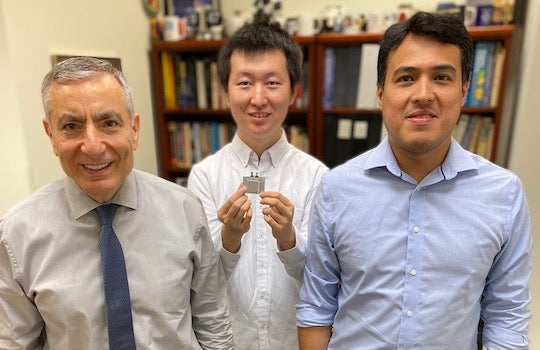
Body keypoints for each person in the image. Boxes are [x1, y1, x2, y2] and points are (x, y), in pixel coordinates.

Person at [296, 11, 532, 349]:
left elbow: (506, 316)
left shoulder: (504, 195)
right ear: (381, 93)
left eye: (441, 77)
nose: (423, 94)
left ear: (464, 90)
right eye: (406, 78)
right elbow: (317, 307)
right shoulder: (336, 189)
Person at [0, 56, 234, 349]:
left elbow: (212, 323)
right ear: (52, 136)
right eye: (71, 126)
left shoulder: (185, 210)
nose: (94, 146)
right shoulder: (17, 234)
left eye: (108, 122)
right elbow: (15, 343)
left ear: (134, 130)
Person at [187, 22, 328, 349]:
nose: (258, 98)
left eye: (273, 82)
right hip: (228, 342)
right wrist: (230, 237)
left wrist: (288, 239)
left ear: (295, 92)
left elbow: (322, 280)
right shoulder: (205, 176)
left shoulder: (316, 176)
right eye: (245, 83)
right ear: (226, 92)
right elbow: (202, 281)